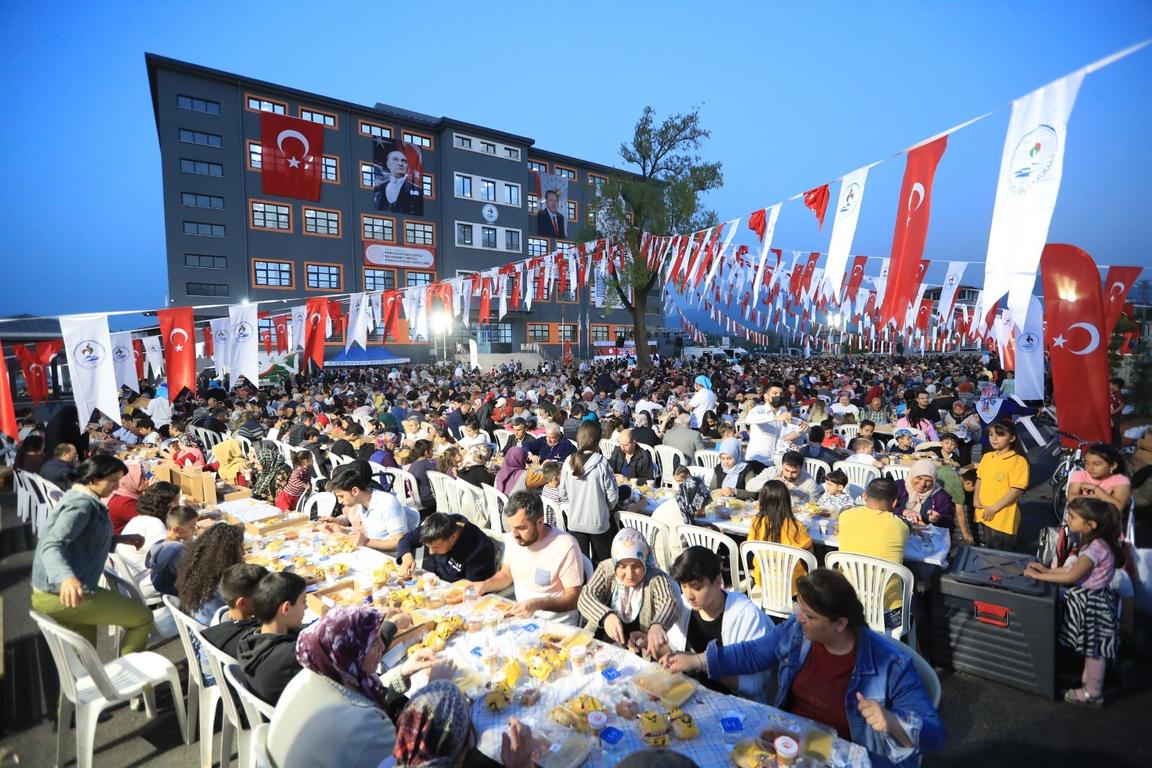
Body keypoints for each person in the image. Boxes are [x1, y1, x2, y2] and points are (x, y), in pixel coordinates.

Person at [663, 568, 945, 767]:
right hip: (791, 742)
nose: (799, 619)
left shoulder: (889, 664)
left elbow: (934, 735)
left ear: (840, 623)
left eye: (809, 616)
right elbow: (754, 653)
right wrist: (697, 661)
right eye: (800, 610)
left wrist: (892, 721)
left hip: (843, 754)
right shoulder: (798, 631)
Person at [268, 605, 451, 768]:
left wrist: (402, 672)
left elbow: (357, 694)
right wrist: (436, 693)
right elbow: (407, 760)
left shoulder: (312, 675)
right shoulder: (363, 722)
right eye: (374, 643)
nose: (382, 647)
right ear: (348, 652)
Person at [30, 454, 154, 655]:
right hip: (61, 591)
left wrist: (120, 539)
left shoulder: (81, 498)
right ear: (93, 478)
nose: (116, 486)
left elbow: (87, 538)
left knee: (84, 651)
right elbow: (51, 545)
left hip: (51, 592)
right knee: (143, 618)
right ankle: (131, 667)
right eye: (113, 480)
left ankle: (86, 675)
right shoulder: (81, 505)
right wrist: (66, 578)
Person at [1025, 498, 1123, 707]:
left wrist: (1039, 576)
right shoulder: (1095, 543)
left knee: (1095, 649)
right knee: (1092, 648)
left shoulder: (1095, 548)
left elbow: (1072, 576)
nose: (1068, 519)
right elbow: (1072, 569)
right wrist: (1047, 570)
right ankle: (1089, 684)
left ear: (1091, 524)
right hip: (1093, 599)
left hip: (1093, 604)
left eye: (1073, 517)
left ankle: (1093, 693)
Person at [459, 491, 584, 624]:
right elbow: (507, 574)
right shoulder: (515, 540)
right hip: (521, 616)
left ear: (540, 522)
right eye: (511, 527)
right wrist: (484, 585)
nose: (514, 534)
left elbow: (574, 598)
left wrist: (537, 604)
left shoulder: (565, 545)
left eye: (521, 528)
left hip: (555, 623)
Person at [664, 546, 771, 701]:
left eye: (696, 587)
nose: (688, 595)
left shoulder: (746, 616)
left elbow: (756, 684)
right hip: (688, 694)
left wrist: (700, 664)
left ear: (718, 581)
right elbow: (675, 651)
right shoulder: (684, 605)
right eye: (683, 586)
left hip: (732, 702)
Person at [577, 528, 680, 655]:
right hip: (599, 645)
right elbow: (585, 596)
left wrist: (658, 625)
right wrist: (605, 617)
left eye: (637, 566)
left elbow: (668, 603)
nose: (630, 575)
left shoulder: (656, 578)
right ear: (615, 563)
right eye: (622, 566)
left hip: (639, 649)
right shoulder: (606, 569)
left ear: (645, 562)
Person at [837, 478, 911, 629]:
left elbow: (843, 511)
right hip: (886, 615)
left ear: (864, 496)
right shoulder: (901, 526)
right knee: (915, 595)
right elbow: (908, 525)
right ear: (895, 502)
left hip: (845, 606)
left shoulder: (845, 516)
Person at [238, 571, 309, 704]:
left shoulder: (247, 640)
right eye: (303, 601)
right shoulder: (292, 655)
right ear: (286, 608)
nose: (306, 607)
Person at [559, 421, 620, 562]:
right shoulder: (601, 463)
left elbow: (562, 493)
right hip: (598, 522)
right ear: (597, 440)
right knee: (603, 564)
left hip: (575, 521)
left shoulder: (568, 461)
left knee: (582, 565)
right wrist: (605, 509)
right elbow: (612, 496)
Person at [327, 462, 418, 552]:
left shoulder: (387, 504)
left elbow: (401, 543)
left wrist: (367, 542)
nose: (340, 501)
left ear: (355, 491)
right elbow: (369, 534)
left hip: (389, 558)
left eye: (341, 496)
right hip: (373, 552)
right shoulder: (362, 503)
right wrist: (342, 531)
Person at [116, 480, 181, 599]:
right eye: (176, 502)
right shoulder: (155, 525)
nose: (179, 506)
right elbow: (170, 560)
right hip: (144, 584)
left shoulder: (138, 520)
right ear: (165, 505)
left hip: (129, 581)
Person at [747, 480, 814, 594]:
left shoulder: (756, 522)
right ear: (787, 501)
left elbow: (751, 545)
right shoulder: (795, 525)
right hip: (791, 584)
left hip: (763, 579)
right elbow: (808, 552)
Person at [176, 522, 247, 624]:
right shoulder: (221, 587)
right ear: (228, 555)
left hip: (204, 625)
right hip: (220, 627)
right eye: (241, 549)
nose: (243, 553)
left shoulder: (196, 573)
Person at [974, 421, 1030, 551]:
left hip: (1002, 516)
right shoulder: (987, 457)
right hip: (984, 512)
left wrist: (993, 509)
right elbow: (980, 479)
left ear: (1012, 438)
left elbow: (1016, 491)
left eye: (1000, 435)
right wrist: (976, 498)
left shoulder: (1019, 461)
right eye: (991, 434)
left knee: (1001, 552)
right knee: (989, 546)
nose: (994, 438)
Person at [395, 512, 497, 582]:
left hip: (459, 590)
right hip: (436, 578)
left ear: (452, 537)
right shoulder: (436, 527)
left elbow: (473, 587)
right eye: (428, 547)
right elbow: (406, 539)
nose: (431, 552)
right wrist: (407, 558)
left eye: (436, 548)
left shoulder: (478, 548)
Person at [201, 563, 268, 658]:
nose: (269, 596)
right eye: (264, 594)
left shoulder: (222, 617)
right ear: (242, 603)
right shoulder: (247, 642)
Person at [651, 464, 710, 563]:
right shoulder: (681, 517)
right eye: (702, 505)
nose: (703, 509)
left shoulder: (674, 504)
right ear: (696, 501)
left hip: (653, 559)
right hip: (665, 564)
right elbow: (678, 551)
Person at [144, 505, 199, 597]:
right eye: (192, 527)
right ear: (176, 529)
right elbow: (193, 575)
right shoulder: (178, 551)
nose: (195, 530)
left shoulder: (160, 544)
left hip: (163, 590)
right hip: (176, 594)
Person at [1067, 442, 1131, 513]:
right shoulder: (1080, 475)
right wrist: (1102, 496)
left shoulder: (1120, 480)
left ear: (1112, 466)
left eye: (1096, 464)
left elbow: (1117, 508)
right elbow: (1071, 500)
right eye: (1087, 463)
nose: (1090, 468)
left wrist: (1096, 490)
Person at [894, 460, 955, 530]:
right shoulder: (897, 487)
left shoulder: (941, 496)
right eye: (919, 478)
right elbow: (883, 509)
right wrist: (902, 511)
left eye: (928, 480)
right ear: (912, 475)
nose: (922, 484)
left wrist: (938, 519)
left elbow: (949, 525)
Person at [751, 450, 819, 504]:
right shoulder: (773, 471)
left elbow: (812, 506)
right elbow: (750, 486)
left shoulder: (809, 483)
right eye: (786, 470)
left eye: (794, 472)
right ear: (782, 465)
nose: (789, 475)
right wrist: (771, 482)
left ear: (801, 468)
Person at [374, 148, 422, 214]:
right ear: (388, 164)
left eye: (404, 161)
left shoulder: (418, 191)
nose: (400, 163)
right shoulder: (378, 189)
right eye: (395, 160)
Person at [106, 462, 148, 535]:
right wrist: (154, 491)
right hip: (121, 539)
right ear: (129, 480)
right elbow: (151, 518)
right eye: (141, 477)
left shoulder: (124, 493)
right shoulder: (123, 502)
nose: (146, 479)